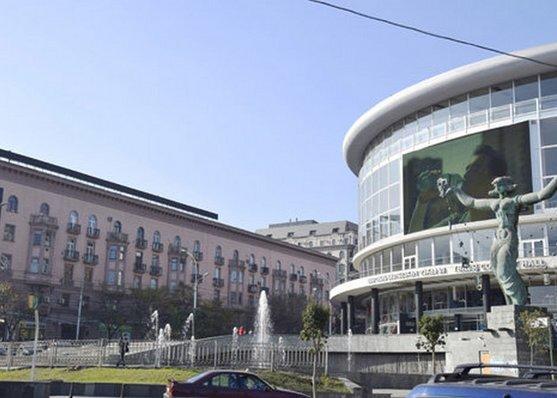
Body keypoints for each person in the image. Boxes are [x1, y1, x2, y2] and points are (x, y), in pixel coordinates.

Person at [438, 175, 557, 305]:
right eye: (496, 185)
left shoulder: (515, 200)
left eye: (500, 184)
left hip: (508, 235)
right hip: (497, 237)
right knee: (496, 270)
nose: (497, 187)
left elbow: (542, 195)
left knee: (505, 270)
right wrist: (455, 190)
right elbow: (471, 202)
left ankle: (519, 300)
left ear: (508, 187)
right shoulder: (493, 203)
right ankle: (510, 303)